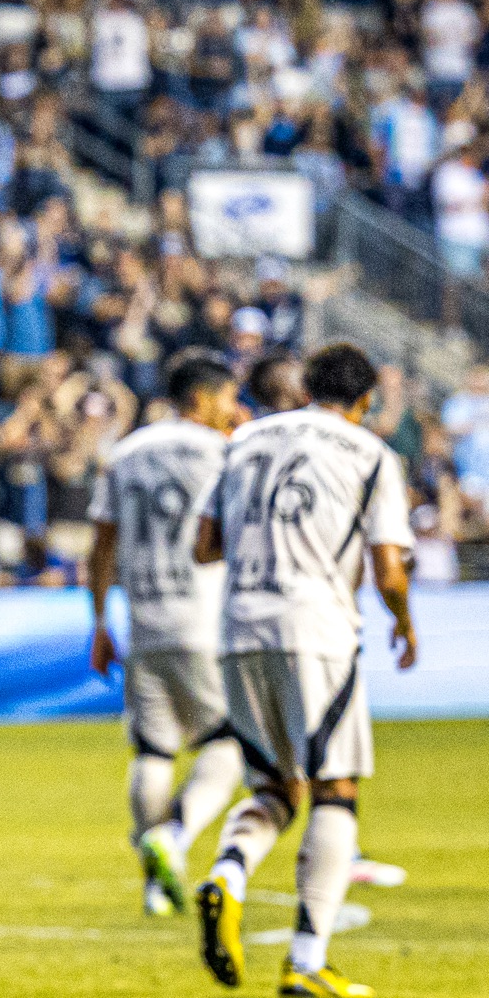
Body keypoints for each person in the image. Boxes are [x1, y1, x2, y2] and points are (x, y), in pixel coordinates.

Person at [191, 344, 417, 998]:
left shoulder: (245, 439)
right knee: (334, 789)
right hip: (316, 629)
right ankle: (307, 961)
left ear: (309, 385)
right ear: (366, 399)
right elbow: (390, 569)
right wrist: (404, 622)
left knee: (274, 788)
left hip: (238, 628)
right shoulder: (370, 452)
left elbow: (204, 545)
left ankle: (229, 873)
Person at [86, 351, 244, 917]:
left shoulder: (125, 453)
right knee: (227, 746)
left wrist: (100, 621)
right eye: (228, 398)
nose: (233, 410)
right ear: (201, 398)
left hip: (144, 619)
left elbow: (101, 546)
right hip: (204, 619)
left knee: (153, 749)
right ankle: (174, 838)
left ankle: (155, 885)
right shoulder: (225, 452)